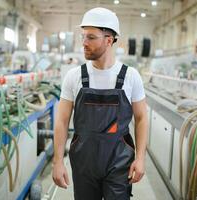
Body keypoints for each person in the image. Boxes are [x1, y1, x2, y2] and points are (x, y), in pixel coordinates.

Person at [52, 7, 148, 200]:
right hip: (84, 162)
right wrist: (57, 161)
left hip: (119, 162)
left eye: (91, 37)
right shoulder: (74, 76)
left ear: (109, 39)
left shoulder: (130, 76)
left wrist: (140, 158)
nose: (84, 43)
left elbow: (141, 117)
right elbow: (61, 121)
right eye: (83, 37)